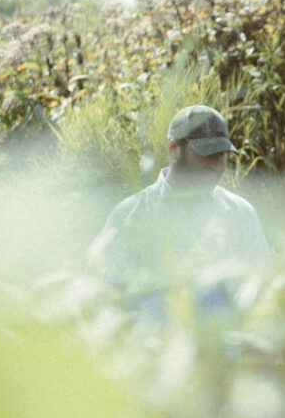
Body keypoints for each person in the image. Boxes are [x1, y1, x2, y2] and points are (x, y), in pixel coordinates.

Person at [88, 104, 270, 311]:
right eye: (206, 152)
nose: (215, 163)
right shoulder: (130, 214)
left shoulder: (240, 214)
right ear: (174, 149)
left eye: (221, 154)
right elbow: (105, 292)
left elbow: (260, 287)